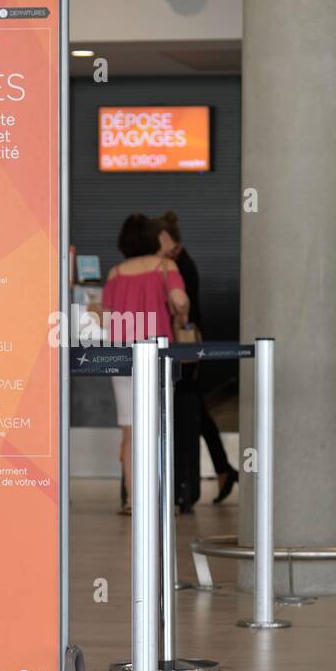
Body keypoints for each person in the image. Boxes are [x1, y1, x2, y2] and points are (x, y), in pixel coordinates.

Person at [102, 214, 190, 514]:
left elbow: (106, 313)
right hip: (154, 351)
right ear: (153, 239)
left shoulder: (115, 273)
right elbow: (179, 301)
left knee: (129, 429)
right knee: (158, 425)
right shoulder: (166, 267)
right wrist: (180, 310)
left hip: (121, 353)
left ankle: (132, 499)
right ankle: (158, 495)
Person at [155, 212, 238, 508]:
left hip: (185, 347)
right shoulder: (181, 262)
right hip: (189, 347)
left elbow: (181, 307)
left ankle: (210, 474)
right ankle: (223, 469)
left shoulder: (178, 266)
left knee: (191, 408)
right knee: (196, 409)